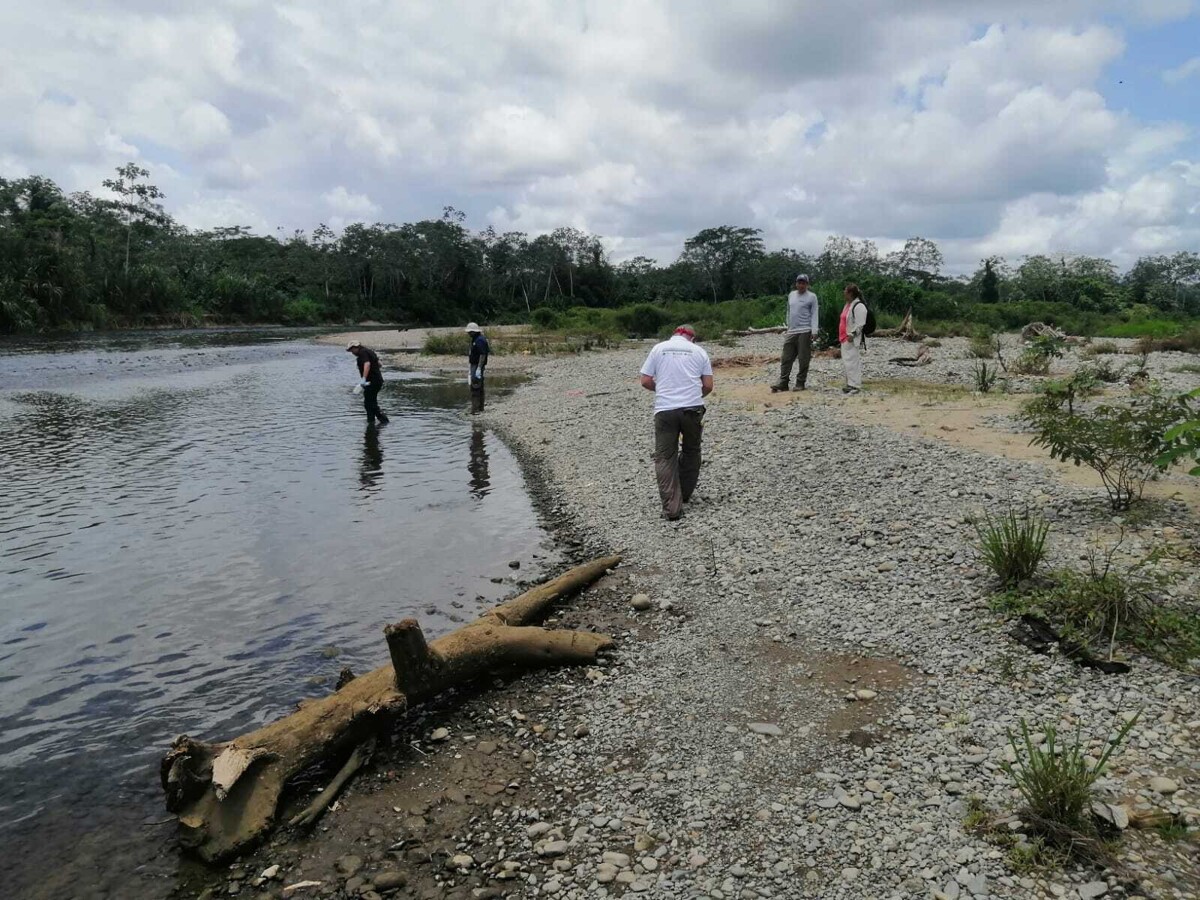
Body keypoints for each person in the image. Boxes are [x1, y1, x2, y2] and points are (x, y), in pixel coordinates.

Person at [639, 324, 714, 521]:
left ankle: (672, 508)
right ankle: (685, 493)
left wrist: (663, 390)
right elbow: (708, 385)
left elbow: (645, 380)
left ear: (674, 334)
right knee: (692, 450)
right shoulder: (699, 352)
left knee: (665, 457)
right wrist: (694, 395)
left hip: (665, 410)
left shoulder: (658, 348)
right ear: (692, 338)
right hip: (692, 409)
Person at [772, 274, 819, 392]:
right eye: (799, 282)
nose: (801, 285)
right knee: (786, 357)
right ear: (796, 283)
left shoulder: (812, 297)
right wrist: (787, 325)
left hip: (805, 330)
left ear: (807, 284)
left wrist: (814, 330)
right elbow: (789, 311)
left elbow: (814, 313)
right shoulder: (791, 295)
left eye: (804, 283)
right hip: (792, 330)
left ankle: (800, 382)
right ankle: (783, 381)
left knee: (803, 358)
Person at [346, 340, 389, 425]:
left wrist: (364, 378)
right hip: (377, 380)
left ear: (355, 347)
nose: (352, 353)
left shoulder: (362, 353)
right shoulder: (369, 351)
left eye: (352, 350)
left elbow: (367, 364)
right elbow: (380, 364)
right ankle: (371, 422)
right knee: (369, 403)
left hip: (372, 382)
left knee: (370, 403)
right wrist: (374, 372)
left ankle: (384, 421)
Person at [839, 283, 868, 394]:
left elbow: (860, 324)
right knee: (847, 361)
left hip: (850, 338)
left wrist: (852, 334)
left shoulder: (859, 306)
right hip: (844, 338)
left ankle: (855, 384)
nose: (844, 293)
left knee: (852, 361)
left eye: (845, 291)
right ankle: (850, 383)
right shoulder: (848, 304)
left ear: (850, 293)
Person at [466, 323, 490, 390]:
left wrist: (479, 368)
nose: (468, 334)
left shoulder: (480, 340)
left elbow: (482, 354)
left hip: (477, 364)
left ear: (473, 332)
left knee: (476, 380)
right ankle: (478, 397)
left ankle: (477, 397)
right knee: (474, 380)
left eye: (470, 332)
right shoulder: (475, 339)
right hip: (474, 363)